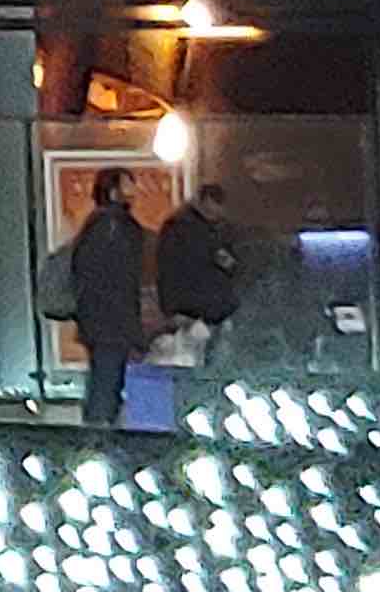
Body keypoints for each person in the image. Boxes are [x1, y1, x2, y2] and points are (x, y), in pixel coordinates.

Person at [65, 166, 153, 427]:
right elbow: (117, 278)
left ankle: (99, 427)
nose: (134, 192)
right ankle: (100, 433)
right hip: (111, 320)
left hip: (101, 319)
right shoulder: (114, 227)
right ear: (114, 191)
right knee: (107, 381)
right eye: (128, 185)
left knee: (104, 378)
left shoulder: (99, 224)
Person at [154, 178, 245, 369]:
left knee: (200, 363)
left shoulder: (208, 229)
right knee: (197, 363)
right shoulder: (182, 229)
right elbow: (169, 270)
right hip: (196, 310)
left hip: (208, 308)